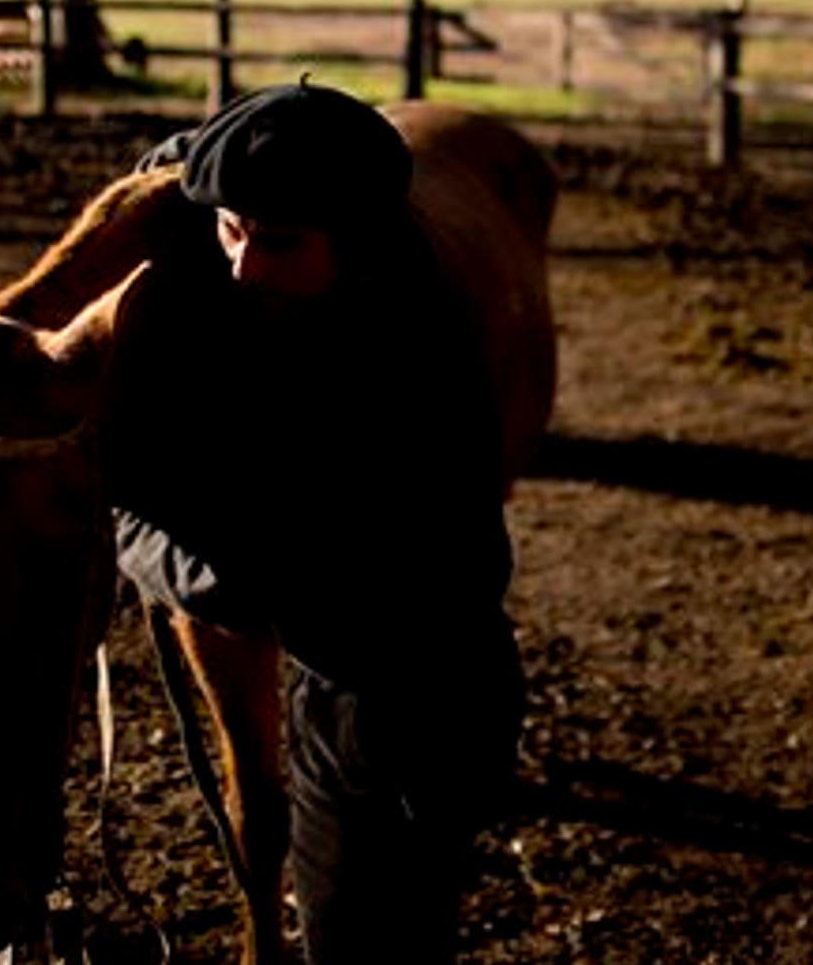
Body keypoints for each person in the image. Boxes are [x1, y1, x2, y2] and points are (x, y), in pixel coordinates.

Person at [107, 81, 524, 964]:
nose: (243, 267)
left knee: (359, 934)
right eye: (231, 230)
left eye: (280, 243)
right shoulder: (375, 243)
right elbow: (198, 165)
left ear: (356, 242)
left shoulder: (389, 385)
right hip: (426, 683)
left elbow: (237, 577)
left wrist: (111, 513)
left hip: (394, 704)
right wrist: (183, 169)